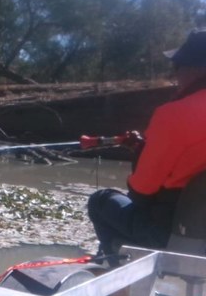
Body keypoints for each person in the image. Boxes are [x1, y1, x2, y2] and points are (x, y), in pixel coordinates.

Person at [88, 29, 206, 266]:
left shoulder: (174, 114)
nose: (176, 75)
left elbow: (141, 192)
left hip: (175, 235)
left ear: (193, 70)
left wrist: (142, 155)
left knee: (100, 201)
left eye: (177, 67)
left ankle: (119, 278)